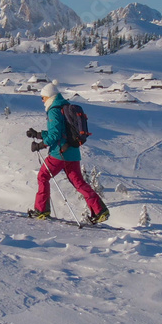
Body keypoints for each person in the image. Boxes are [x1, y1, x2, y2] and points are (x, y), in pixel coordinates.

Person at [26, 81, 109, 224]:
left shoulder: (54, 110)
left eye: (43, 97)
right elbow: (61, 131)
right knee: (79, 183)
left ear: (49, 96)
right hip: (72, 152)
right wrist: (38, 134)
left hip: (59, 154)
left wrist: (40, 145)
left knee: (43, 176)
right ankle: (99, 210)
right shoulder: (64, 106)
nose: (42, 100)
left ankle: (41, 210)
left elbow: (55, 135)